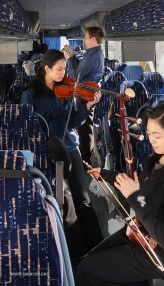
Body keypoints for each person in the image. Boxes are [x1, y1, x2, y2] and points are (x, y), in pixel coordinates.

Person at [75, 102, 164, 286]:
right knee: (88, 259)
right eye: (148, 134)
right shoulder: (157, 159)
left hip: (160, 254)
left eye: (157, 135)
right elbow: (138, 186)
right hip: (141, 233)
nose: (151, 140)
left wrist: (135, 196)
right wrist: (107, 175)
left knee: (87, 269)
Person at [20, 49, 104, 266]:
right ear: (46, 69)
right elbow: (28, 128)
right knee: (62, 200)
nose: (63, 73)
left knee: (82, 197)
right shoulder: (30, 94)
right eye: (59, 69)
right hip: (46, 150)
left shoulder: (67, 90)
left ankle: (97, 246)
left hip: (69, 146)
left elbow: (73, 122)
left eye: (64, 69)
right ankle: (74, 251)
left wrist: (86, 107)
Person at [63, 27, 105, 165]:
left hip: (87, 93)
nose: (84, 40)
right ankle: (85, 157)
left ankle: (85, 161)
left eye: (86, 37)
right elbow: (81, 67)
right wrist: (73, 55)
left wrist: (69, 59)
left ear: (93, 39)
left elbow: (76, 77)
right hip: (86, 91)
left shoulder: (93, 56)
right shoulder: (92, 53)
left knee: (85, 128)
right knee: (84, 126)